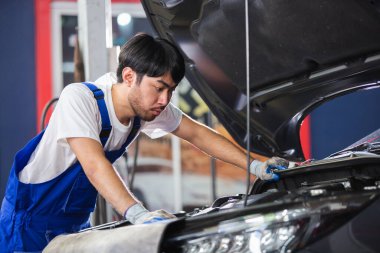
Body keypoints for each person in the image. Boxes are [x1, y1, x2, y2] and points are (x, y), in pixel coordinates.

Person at [0, 33, 288, 252]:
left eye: (171, 91)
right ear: (129, 76)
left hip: (74, 221)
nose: (165, 100)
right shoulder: (80, 99)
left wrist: (256, 164)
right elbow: (93, 164)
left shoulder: (146, 109)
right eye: (159, 88)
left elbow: (198, 134)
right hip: (28, 222)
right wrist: (138, 214)